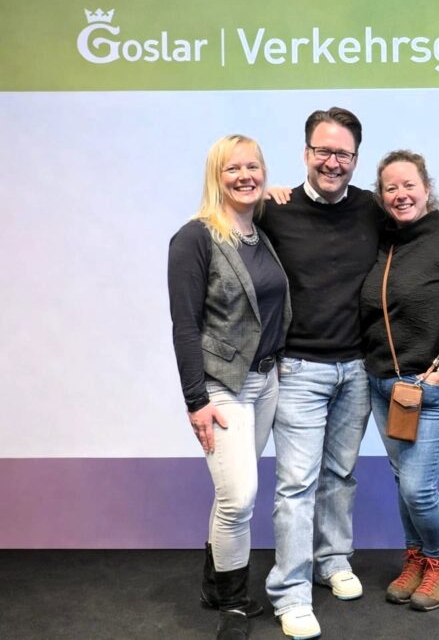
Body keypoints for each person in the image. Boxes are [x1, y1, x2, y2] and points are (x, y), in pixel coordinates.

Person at [260, 107, 382, 639]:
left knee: (340, 475)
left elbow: (420, 223)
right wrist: (264, 196)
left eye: (343, 154)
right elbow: (225, 228)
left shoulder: (372, 209)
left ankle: (332, 560)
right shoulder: (276, 210)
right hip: (299, 369)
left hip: (357, 369)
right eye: (323, 151)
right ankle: (290, 592)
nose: (333, 162)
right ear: (306, 152)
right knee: (296, 486)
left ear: (356, 158)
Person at [168, 135, 290, 640]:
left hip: (266, 382)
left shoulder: (261, 231)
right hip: (221, 388)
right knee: (239, 498)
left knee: (229, 493)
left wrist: (274, 194)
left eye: (253, 167)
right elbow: (185, 326)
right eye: (232, 169)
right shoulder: (194, 238)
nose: (245, 176)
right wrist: (196, 400)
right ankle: (234, 605)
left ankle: (212, 585)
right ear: (214, 176)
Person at [360, 150, 439, 612]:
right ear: (381, 196)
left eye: (408, 185)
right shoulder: (381, 244)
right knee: (402, 481)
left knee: (418, 487)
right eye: (390, 187)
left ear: (427, 188)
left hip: (432, 391)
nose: (400, 194)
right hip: (384, 389)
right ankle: (415, 558)